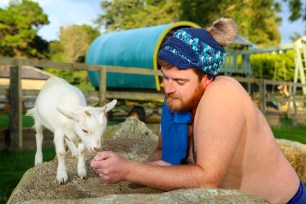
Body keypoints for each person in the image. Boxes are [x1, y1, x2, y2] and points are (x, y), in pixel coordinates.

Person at [91, 18, 306, 204]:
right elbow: (159, 152)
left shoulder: (223, 93)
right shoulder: (176, 101)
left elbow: (207, 179)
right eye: (165, 77)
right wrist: (123, 171)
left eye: (179, 81)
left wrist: (129, 169)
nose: (168, 88)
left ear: (206, 78)